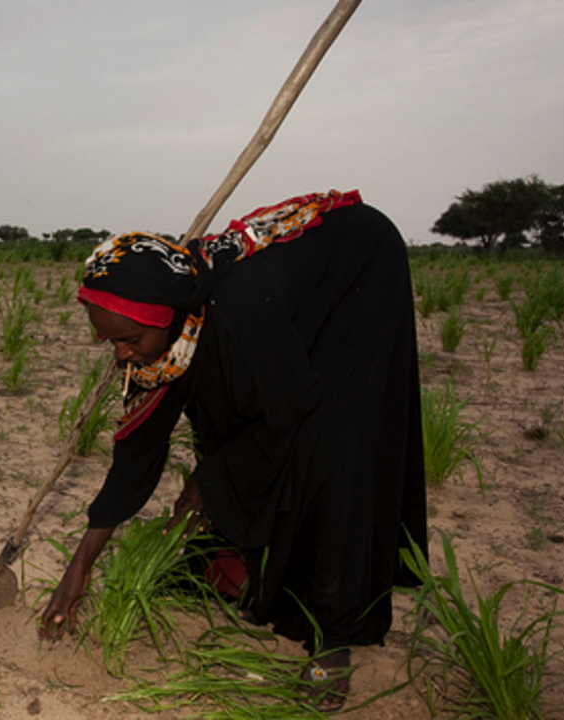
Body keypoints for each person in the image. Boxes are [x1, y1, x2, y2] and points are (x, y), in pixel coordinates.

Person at [38, 190, 428, 710]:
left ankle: (333, 637)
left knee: (330, 446)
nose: (121, 353)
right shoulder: (161, 341)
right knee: (223, 423)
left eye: (128, 339)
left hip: (359, 272)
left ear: (170, 316)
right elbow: (136, 457)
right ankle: (234, 561)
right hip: (278, 310)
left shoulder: (243, 310)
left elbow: (288, 410)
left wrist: (209, 480)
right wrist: (80, 566)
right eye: (108, 342)